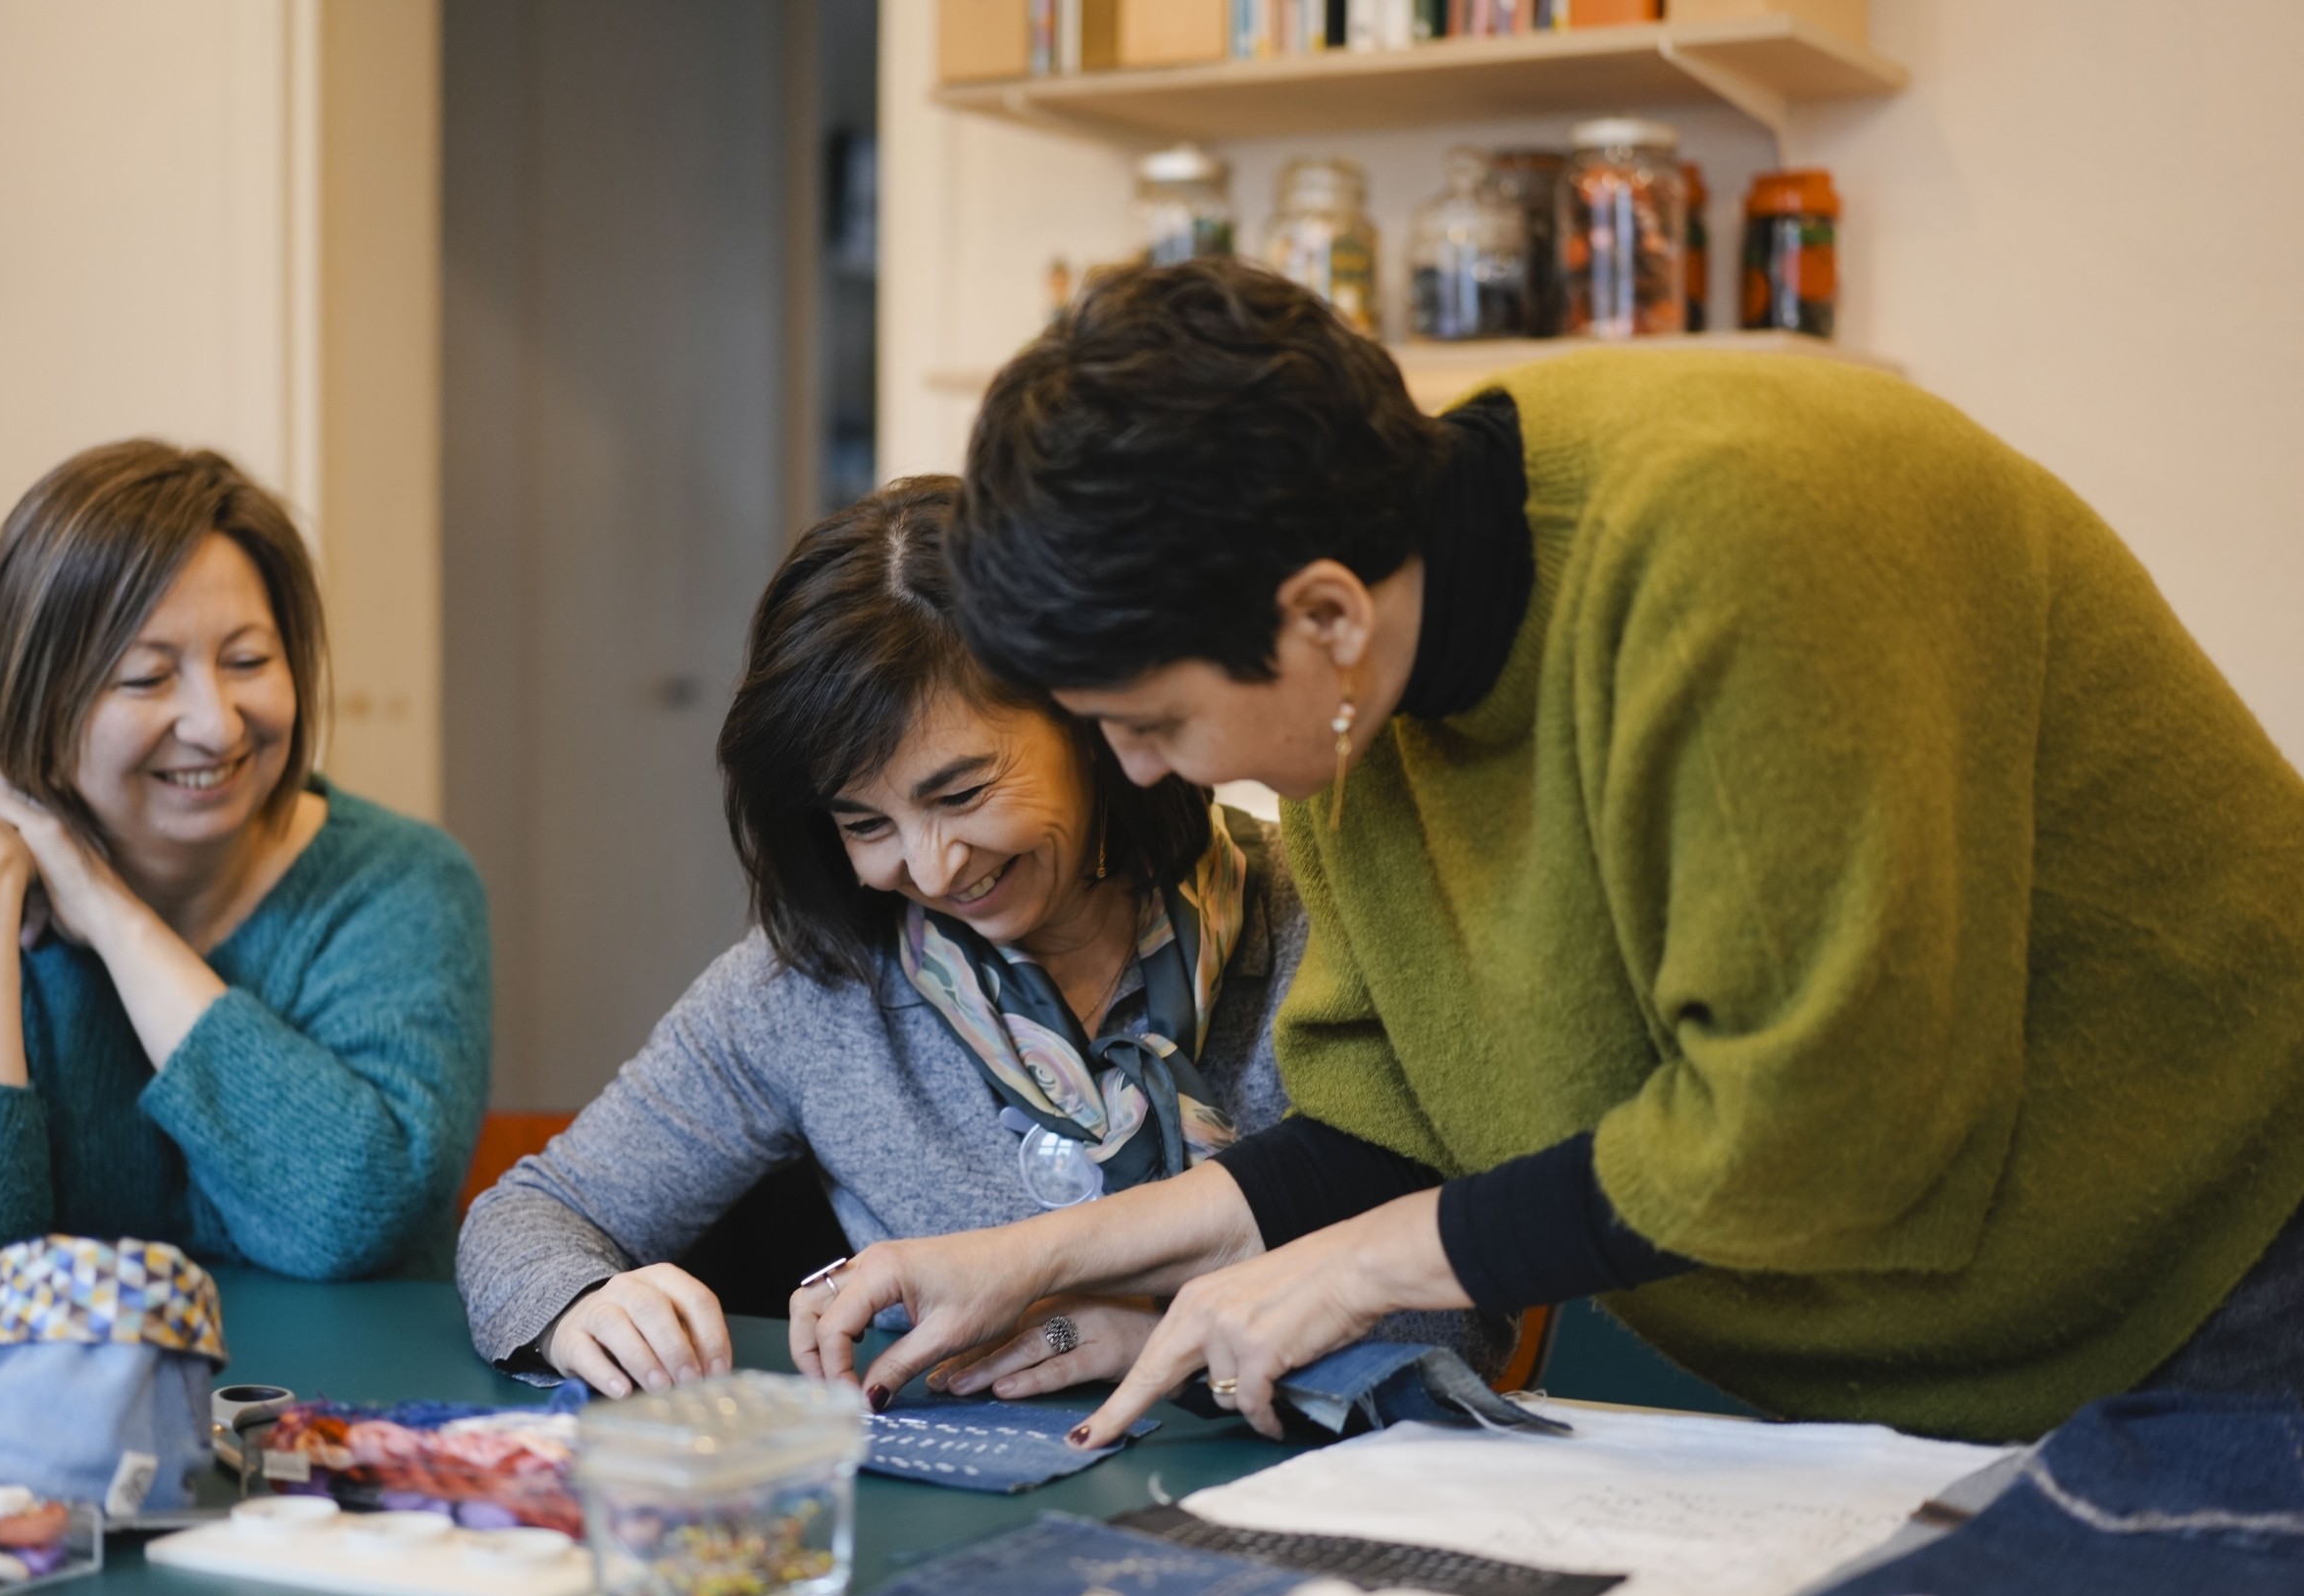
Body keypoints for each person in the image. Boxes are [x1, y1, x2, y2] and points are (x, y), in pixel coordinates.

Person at [793, 259, 2304, 1448]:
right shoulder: (1349, 674)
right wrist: (1038, 1254)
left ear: (1319, 616)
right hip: (1908, 1359)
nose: (1137, 772)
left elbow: (1826, 1126)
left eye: (1152, 721)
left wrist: (1371, 1265)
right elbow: (1396, 1117)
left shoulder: (1747, 543)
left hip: (2218, 1264)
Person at [459, 475, 1426, 1403]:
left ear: (1087, 723)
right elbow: (533, 1213)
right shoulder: (808, 985)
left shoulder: (1320, 918)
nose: (930, 868)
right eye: (864, 823)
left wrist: (1169, 1340)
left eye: (960, 792)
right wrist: (583, 1301)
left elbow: (1455, 1317)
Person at [0, 440, 491, 1287]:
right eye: (148, 677)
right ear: (39, 700)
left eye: (249, 662)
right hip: (62, 1423)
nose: (217, 724)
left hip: (348, 1416)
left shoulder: (402, 885)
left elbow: (354, 1212)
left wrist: (112, 916)